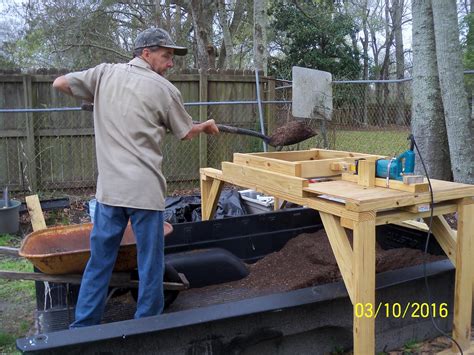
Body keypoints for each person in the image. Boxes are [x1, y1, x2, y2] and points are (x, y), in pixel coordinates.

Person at [52, 27, 219, 327]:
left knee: (99, 262)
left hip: (109, 193)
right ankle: (146, 326)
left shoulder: (103, 74)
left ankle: (83, 327)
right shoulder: (165, 90)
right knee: (150, 265)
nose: (171, 63)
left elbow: (60, 83)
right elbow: (185, 132)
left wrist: (96, 100)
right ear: (146, 53)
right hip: (145, 194)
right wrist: (204, 126)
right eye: (166, 56)